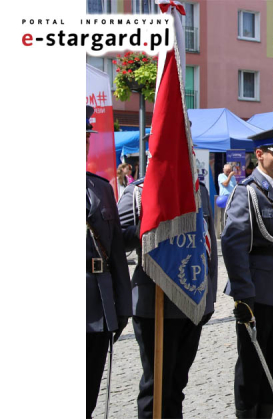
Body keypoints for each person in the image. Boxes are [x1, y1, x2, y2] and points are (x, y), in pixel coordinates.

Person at [117, 171, 218, 418]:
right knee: (156, 387)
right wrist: (149, 225)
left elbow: (207, 244)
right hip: (154, 302)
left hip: (192, 301)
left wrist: (209, 298)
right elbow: (118, 240)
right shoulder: (139, 191)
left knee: (177, 385)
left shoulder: (199, 189)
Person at [221, 126, 273, 418]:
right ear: (259, 155)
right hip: (257, 291)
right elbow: (233, 246)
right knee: (252, 364)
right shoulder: (246, 192)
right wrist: (242, 295)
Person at [86, 105, 132, 417]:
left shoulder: (101, 188)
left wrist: (122, 308)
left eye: (84, 137)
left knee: (87, 395)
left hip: (98, 309)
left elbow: (115, 254)